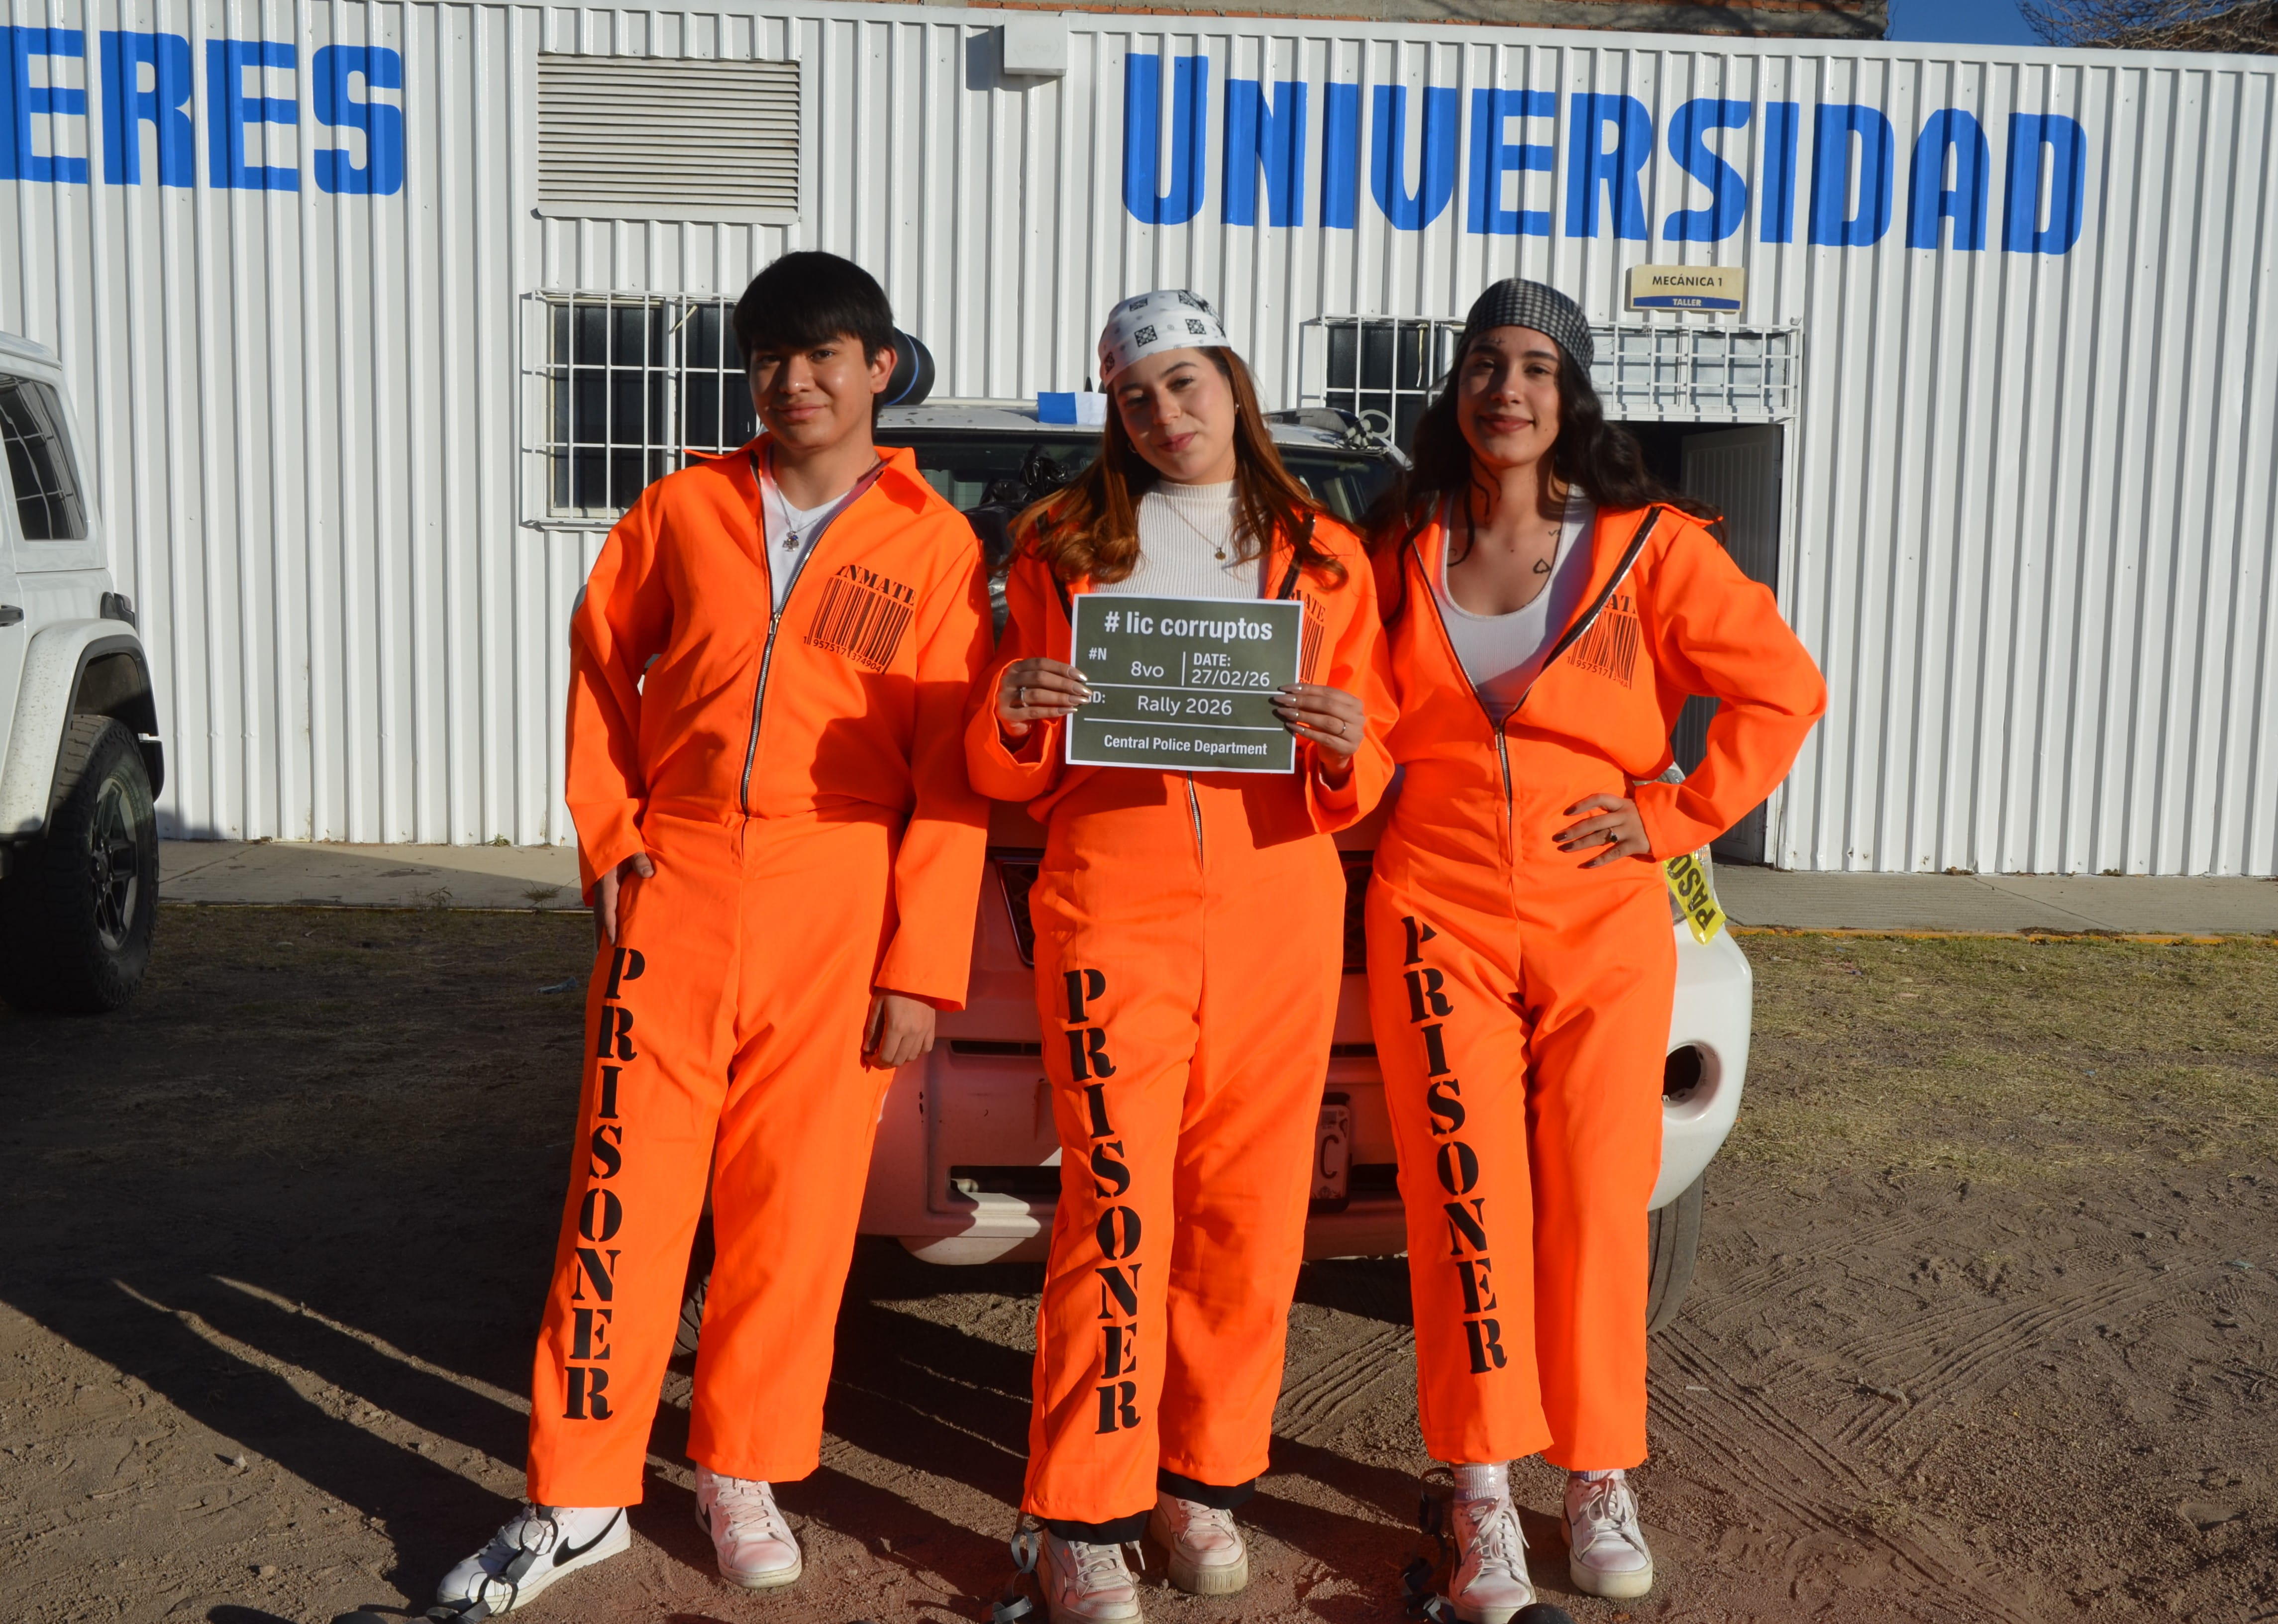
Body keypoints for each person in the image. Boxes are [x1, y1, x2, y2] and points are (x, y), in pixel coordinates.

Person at [430, 252, 993, 1618]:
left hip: (840, 888)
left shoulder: (934, 542)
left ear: (878, 368)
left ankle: (742, 1471)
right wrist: (611, 837)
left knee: (793, 1214)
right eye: (769, 357)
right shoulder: (680, 508)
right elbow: (598, 666)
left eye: (822, 354)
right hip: (677, 877)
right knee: (620, 1194)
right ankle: (579, 1493)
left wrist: (921, 964)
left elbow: (948, 774)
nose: (794, 381)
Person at [1363, 279, 1826, 1621]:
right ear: (1455, 389)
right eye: (1483, 365)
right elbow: (1344, 698)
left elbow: (1781, 687)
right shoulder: (1398, 541)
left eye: (1534, 368)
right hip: (1434, 897)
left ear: (1570, 396)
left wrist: (1673, 813)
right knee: (1464, 1198)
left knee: (1596, 1197)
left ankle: (1599, 1471)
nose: (1505, 390)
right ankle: (1480, 1488)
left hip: (1600, 909)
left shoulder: (1650, 546)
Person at [968, 291, 1395, 1624]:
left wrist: (1347, 744)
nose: (1165, 413)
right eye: (1136, 394)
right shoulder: (1062, 542)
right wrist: (1014, 711)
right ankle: (1082, 1514)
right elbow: (1008, 758)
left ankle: (1201, 1479)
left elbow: (1374, 760)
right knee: (1115, 1204)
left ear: (1232, 383)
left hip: (1277, 906)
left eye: (1185, 382)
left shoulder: (1328, 556)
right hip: (1114, 901)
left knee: (1248, 1215)